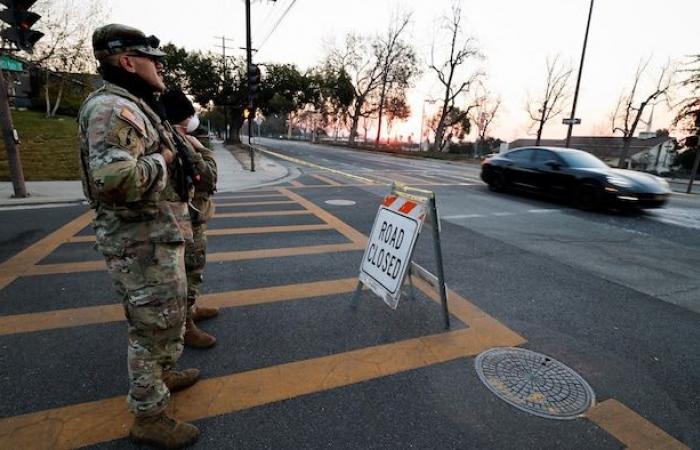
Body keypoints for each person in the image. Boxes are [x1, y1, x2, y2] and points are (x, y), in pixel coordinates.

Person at [78, 24, 200, 448]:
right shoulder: (114, 109)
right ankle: (149, 416)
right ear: (127, 62)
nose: (160, 66)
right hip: (140, 240)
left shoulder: (136, 104)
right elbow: (115, 180)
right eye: (152, 59)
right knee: (150, 329)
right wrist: (164, 159)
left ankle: (161, 379)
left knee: (163, 322)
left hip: (154, 234)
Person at [160, 88, 219, 348]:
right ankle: (185, 325)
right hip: (185, 219)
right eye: (189, 116)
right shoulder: (178, 141)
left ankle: (190, 311)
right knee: (189, 270)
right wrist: (202, 151)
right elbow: (208, 178)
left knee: (192, 270)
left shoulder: (171, 137)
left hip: (187, 215)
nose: (193, 120)